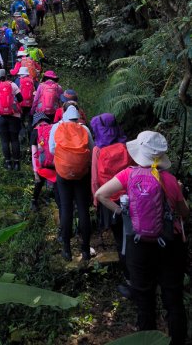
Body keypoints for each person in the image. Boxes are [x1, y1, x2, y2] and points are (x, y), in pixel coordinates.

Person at [95, 131, 189, 345]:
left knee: (144, 300)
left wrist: (120, 212)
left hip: (139, 245)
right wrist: (180, 193)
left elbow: (100, 194)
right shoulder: (171, 180)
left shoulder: (128, 175)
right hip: (169, 245)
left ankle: (147, 339)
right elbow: (184, 213)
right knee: (173, 299)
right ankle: (178, 340)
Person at [90, 113, 131, 287]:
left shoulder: (98, 150)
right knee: (133, 236)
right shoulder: (127, 145)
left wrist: (96, 199)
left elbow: (94, 179)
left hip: (109, 201)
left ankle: (129, 278)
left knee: (120, 239)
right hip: (130, 199)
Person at [49, 106, 94, 261]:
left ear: (64, 116)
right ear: (78, 117)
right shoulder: (85, 129)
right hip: (82, 174)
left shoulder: (56, 127)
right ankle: (86, 250)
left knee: (66, 209)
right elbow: (92, 151)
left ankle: (67, 250)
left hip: (63, 175)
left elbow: (52, 149)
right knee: (83, 210)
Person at [0, 69, 23, 170]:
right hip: (14, 116)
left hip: (0, 118)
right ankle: (16, 164)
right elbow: (21, 99)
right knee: (15, 140)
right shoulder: (13, 85)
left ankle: (8, 163)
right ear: (6, 76)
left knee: (4, 141)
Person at [30, 112, 61, 214]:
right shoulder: (54, 128)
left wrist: (35, 171)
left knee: (39, 182)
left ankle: (34, 202)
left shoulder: (35, 132)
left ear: (36, 123)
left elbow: (34, 153)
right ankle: (60, 206)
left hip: (42, 164)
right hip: (55, 163)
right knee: (57, 185)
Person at [13, 66, 38, 136]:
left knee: (20, 120)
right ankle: (30, 139)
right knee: (30, 120)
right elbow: (37, 91)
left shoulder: (17, 80)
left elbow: (14, 92)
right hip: (30, 103)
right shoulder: (33, 80)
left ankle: (22, 134)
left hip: (21, 104)